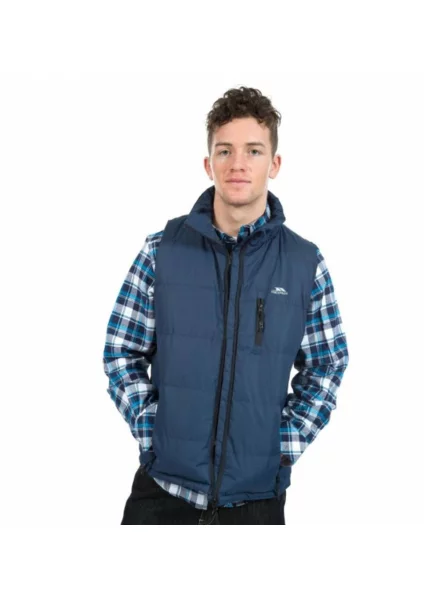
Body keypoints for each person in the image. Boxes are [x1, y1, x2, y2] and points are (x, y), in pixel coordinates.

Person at [103, 86, 349, 525]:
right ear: (208, 164)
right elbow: (121, 351)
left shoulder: (304, 264)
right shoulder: (162, 251)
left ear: (274, 164)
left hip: (257, 502)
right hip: (162, 494)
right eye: (225, 150)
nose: (238, 164)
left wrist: (281, 446)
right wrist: (153, 429)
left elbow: (327, 365)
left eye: (254, 150)